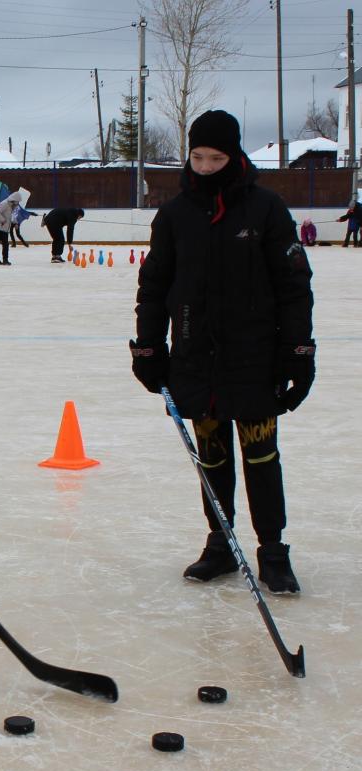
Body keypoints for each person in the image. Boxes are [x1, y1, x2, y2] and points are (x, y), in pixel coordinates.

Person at [129, 109, 314, 594]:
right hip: (195, 359)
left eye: (216, 157)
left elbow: (294, 285)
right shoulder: (175, 215)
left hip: (255, 360)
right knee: (212, 459)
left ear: (234, 157)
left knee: (261, 457)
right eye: (197, 156)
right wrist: (148, 347)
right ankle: (221, 544)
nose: (205, 167)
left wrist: (298, 351)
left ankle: (272, 551)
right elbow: (154, 285)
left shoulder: (266, 209)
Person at [0, 191, 21, 265]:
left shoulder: (11, 206)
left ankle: (5, 260)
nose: (17, 204)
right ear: (14, 200)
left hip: (4, 229)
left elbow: (10, 216)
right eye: (17, 202)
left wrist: (15, 222)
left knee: (5, 244)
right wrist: (3, 220)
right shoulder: (4, 204)